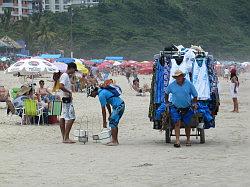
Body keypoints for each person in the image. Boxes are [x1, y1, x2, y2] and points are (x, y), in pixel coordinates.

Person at [165, 70, 198, 148]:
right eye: (176, 77)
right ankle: (177, 140)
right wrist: (166, 102)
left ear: (182, 76)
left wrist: (194, 103)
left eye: (179, 76)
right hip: (175, 107)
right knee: (177, 123)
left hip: (187, 107)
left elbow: (195, 95)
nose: (178, 78)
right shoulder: (172, 85)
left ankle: (188, 139)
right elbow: (166, 93)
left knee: (187, 124)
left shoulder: (189, 84)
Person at [59, 62, 78, 144]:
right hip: (66, 98)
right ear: (71, 68)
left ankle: (64, 137)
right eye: (74, 70)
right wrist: (69, 92)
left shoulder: (65, 76)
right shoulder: (65, 76)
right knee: (72, 117)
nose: (74, 72)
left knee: (63, 117)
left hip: (64, 98)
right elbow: (60, 86)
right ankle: (66, 137)